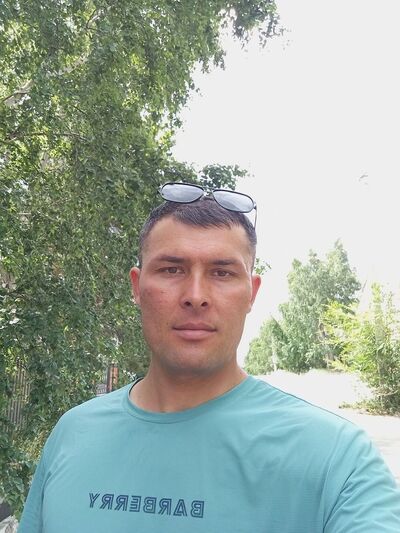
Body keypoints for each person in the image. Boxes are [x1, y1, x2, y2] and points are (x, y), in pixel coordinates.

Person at [19, 182, 400, 532]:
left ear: (251, 293)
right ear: (137, 286)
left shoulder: (335, 456)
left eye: (222, 273)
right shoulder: (74, 432)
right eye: (172, 269)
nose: (196, 295)